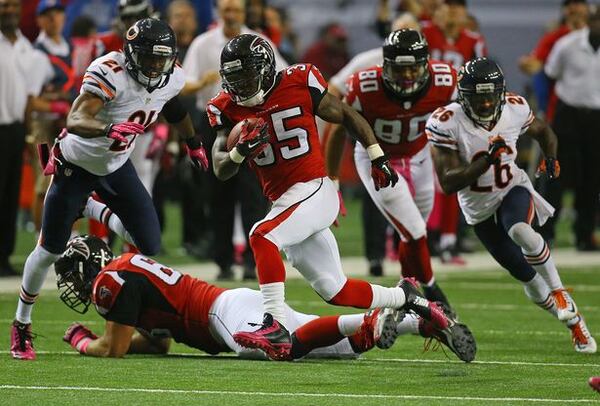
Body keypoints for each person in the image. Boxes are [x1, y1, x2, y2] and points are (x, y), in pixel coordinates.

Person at [208, 33, 452, 360]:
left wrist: (377, 155)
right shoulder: (225, 107)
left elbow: (347, 116)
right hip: (285, 202)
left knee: (261, 235)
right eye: (234, 79)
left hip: (315, 188)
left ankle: (275, 324)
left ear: (265, 69)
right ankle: (406, 297)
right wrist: (239, 152)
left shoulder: (298, 81)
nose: (240, 86)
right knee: (334, 290)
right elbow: (220, 169)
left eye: (247, 76)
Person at [10, 18, 210, 361]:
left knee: (149, 242)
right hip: (75, 167)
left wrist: (192, 141)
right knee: (49, 250)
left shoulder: (171, 74)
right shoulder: (110, 71)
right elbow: (76, 118)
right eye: (148, 58)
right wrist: (109, 127)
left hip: (117, 167)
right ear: (131, 53)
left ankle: (91, 207)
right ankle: (21, 324)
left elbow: (173, 105)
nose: (154, 66)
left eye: (160, 59)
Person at [56, 235, 475, 362]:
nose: (75, 286)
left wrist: (79, 339)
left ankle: (369, 322)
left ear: (88, 268)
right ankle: (419, 320)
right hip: (230, 307)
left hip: (223, 315)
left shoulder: (109, 281)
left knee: (280, 349)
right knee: (342, 353)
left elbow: (113, 350)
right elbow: (158, 342)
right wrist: (124, 341)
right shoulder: (125, 268)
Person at [427, 57, 596, 354]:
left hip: (511, 190)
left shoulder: (514, 107)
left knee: (520, 230)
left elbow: (544, 131)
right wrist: (486, 161)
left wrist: (551, 157)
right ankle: (573, 322)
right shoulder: (446, 122)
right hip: (478, 211)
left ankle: (559, 291)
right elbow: (449, 181)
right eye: (478, 98)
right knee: (526, 277)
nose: (485, 104)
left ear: (501, 92)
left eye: (490, 97)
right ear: (464, 97)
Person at [326, 29, 460, 317]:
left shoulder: (446, 80)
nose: (408, 75)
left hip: (420, 155)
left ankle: (405, 294)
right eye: (400, 68)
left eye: (413, 67)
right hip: (377, 160)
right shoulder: (365, 86)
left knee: (411, 237)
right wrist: (333, 180)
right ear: (386, 65)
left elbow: (460, 115)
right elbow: (338, 128)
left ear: (426, 64)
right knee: (415, 231)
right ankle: (433, 292)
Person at [183, 0, 286, 280]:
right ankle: (223, 261)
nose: (231, 15)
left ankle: (254, 261)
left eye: (236, 10)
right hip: (215, 119)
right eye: (227, 10)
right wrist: (202, 83)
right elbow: (184, 81)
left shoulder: (259, 42)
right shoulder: (203, 44)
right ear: (219, 12)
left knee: (254, 193)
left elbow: (283, 75)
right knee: (218, 194)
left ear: (244, 13)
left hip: (252, 120)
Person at [0, 0, 55, 277]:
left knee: (9, 193)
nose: (8, 10)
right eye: (3, 5)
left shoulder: (25, 46)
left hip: (17, 128)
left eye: (12, 6)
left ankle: (4, 256)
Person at [542, 6, 600, 251]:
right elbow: (550, 73)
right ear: (591, 21)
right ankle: (545, 233)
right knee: (557, 173)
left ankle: (584, 235)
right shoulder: (567, 44)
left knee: (593, 178)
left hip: (596, 118)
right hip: (569, 115)